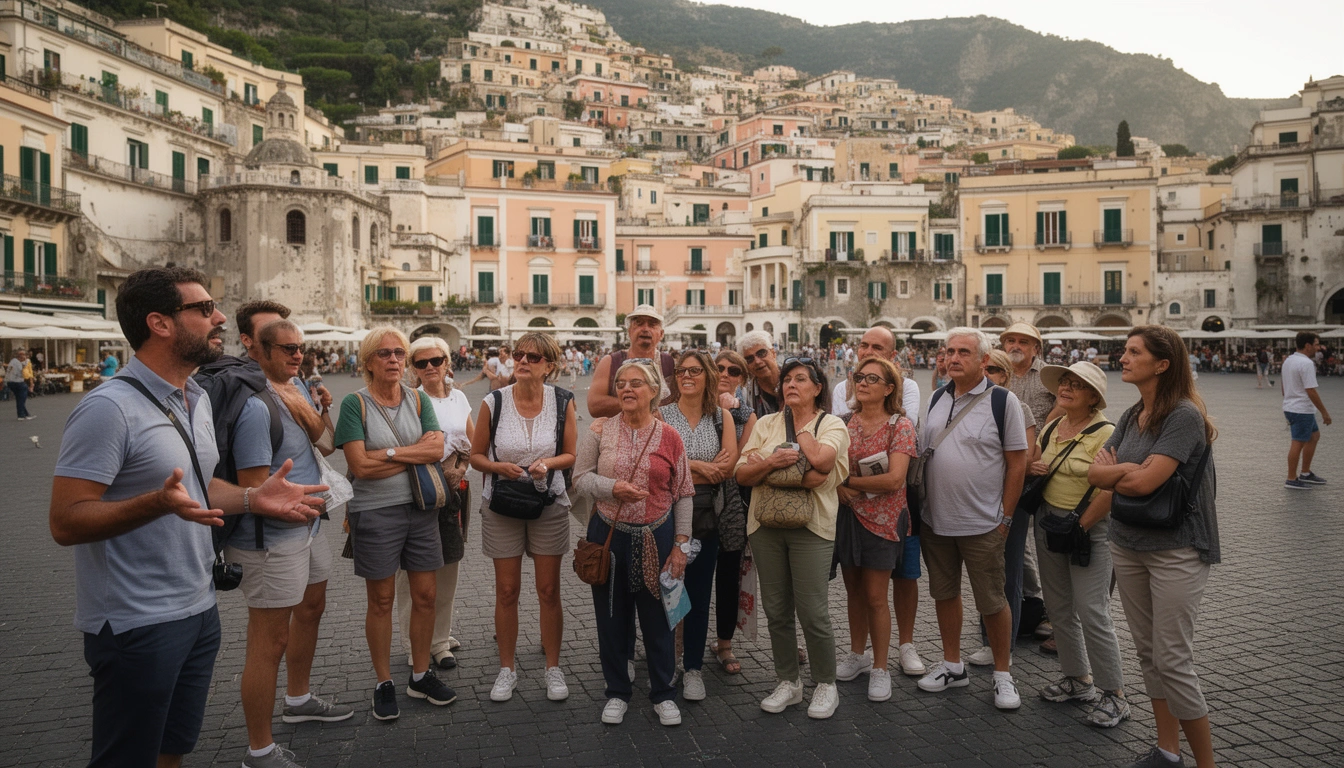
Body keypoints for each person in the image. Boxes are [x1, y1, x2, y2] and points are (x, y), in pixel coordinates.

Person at [50, 266, 325, 768]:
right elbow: (65, 521)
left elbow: (202, 488)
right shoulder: (108, 408)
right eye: (203, 309)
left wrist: (253, 498)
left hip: (198, 608)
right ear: (159, 323)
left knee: (173, 749)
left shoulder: (195, 398)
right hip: (136, 622)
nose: (219, 317)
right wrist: (153, 503)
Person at [1089, 326, 1220, 768]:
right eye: (1124, 351)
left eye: (1133, 352)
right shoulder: (1131, 415)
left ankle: (1206, 763)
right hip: (1127, 543)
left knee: (1173, 659)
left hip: (1177, 549)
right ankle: (1168, 750)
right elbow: (1094, 473)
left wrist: (1119, 471)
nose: (1122, 358)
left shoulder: (1183, 416)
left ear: (1162, 364)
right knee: (1147, 653)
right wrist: (1129, 469)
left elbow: (1146, 481)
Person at [226, 319, 350, 768]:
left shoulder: (296, 387)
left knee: (312, 611)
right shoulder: (258, 407)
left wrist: (324, 409)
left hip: (310, 525)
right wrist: (292, 503)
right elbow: (255, 489)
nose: (297, 355)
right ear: (258, 350)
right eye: (286, 349)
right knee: (269, 639)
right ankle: (259, 750)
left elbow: (327, 445)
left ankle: (297, 700)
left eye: (301, 348)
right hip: (271, 539)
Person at [335, 326, 455, 721]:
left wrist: (385, 453)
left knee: (425, 597)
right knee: (382, 601)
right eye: (384, 353)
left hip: (422, 510)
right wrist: (410, 453)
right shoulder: (356, 404)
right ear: (368, 360)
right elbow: (358, 467)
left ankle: (420, 674)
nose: (393, 360)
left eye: (399, 353)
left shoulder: (418, 399)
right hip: (375, 514)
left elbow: (437, 448)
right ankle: (383, 681)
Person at [574, 359, 695, 726]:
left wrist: (681, 545)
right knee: (611, 617)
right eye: (622, 383)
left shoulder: (670, 436)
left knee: (659, 620)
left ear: (654, 391)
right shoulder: (599, 431)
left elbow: (684, 493)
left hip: (656, 535)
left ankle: (663, 694)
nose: (627, 389)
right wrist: (612, 488)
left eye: (636, 383)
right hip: (608, 536)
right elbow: (579, 478)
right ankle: (617, 692)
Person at [916, 328, 1029, 711]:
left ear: (984, 360)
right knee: (944, 594)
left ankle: (1003, 674)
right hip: (936, 522)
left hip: (983, 523)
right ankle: (952, 665)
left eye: (964, 352)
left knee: (993, 601)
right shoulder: (935, 398)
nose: (953, 358)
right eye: (949, 351)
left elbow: (1018, 462)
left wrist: (1006, 518)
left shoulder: (1003, 401)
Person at [735, 357, 849, 719]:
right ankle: (789, 680)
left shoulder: (831, 424)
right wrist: (772, 464)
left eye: (801, 379)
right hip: (764, 525)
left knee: (813, 611)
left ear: (818, 388)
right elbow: (742, 472)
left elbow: (824, 466)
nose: (791, 385)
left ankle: (826, 684)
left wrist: (798, 434)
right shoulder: (766, 422)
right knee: (777, 609)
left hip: (812, 527)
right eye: (787, 380)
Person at [469, 332, 577, 703]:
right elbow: (476, 456)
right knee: (507, 590)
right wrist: (501, 466)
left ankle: (552, 666)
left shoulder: (562, 402)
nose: (523, 361)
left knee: (548, 590)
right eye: (519, 354)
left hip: (548, 502)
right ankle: (506, 669)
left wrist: (548, 463)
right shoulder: (493, 401)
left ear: (549, 366)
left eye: (533, 357)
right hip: (503, 503)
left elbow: (570, 454)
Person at [1028, 362, 1130, 729]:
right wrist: (1034, 467)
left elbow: (1110, 487)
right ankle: (1077, 679)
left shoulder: (1108, 433)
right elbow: (1036, 462)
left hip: (1089, 528)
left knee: (1092, 609)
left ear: (1093, 397)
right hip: (1049, 523)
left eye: (1076, 385)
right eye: (1064, 383)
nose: (1066, 388)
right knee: (1058, 607)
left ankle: (1113, 694)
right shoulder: (1054, 426)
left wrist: (1082, 526)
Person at [830, 326, 927, 677]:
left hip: (885, 519)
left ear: (889, 388)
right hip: (850, 515)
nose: (864, 382)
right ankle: (858, 654)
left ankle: (883, 666)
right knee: (853, 592)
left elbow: (895, 479)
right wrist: (839, 486)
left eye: (873, 378)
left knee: (876, 595)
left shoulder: (899, 425)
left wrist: (847, 481)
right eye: (860, 377)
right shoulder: (842, 423)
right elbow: (829, 467)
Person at [660, 350, 738, 700]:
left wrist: (689, 465)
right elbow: (659, 465)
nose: (686, 376)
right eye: (680, 371)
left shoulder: (721, 417)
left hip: (706, 517)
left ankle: (692, 667)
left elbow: (727, 466)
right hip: (663, 515)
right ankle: (665, 664)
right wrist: (701, 467)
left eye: (694, 370)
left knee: (698, 593)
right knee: (662, 592)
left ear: (707, 375)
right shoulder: (661, 416)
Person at [396, 337, 474, 671]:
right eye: (421, 362)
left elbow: (473, 442)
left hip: (454, 489)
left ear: (447, 362)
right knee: (411, 572)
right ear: (412, 368)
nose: (430, 368)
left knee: (448, 566)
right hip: (418, 491)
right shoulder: (409, 400)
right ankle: (413, 641)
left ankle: (440, 639)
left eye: (436, 360)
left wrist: (460, 468)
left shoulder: (458, 397)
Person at [709, 349, 757, 674]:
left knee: (728, 575)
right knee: (686, 574)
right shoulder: (690, 406)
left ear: (743, 379)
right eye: (720, 368)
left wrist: (730, 415)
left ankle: (724, 643)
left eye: (734, 371)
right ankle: (679, 640)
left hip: (731, 506)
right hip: (693, 499)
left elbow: (736, 461)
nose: (726, 374)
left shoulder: (749, 415)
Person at [587, 305, 677, 418]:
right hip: (619, 434)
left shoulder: (669, 363)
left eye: (652, 324)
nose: (645, 329)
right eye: (639, 323)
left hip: (660, 433)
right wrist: (643, 405)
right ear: (629, 331)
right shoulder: (610, 362)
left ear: (661, 334)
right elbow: (594, 405)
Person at [1281, 332, 1332, 490]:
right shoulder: (1306, 363)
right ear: (1308, 345)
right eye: (1316, 344)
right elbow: (1311, 390)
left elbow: (1284, 387)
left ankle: (1305, 472)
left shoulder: (1289, 360)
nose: (1318, 347)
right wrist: (1324, 412)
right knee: (1298, 442)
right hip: (1302, 409)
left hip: (1292, 406)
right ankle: (1291, 478)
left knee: (1314, 436)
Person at [738, 330, 782, 418]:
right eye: (750, 359)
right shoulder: (745, 394)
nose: (757, 361)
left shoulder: (794, 380)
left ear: (773, 353)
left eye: (761, 353)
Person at [6, 347, 34, 420]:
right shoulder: (19, 363)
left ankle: (26, 414)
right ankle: (21, 415)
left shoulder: (12, 361)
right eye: (23, 355)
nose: (24, 357)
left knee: (19, 398)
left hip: (10, 382)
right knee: (21, 399)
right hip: (18, 382)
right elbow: (24, 374)